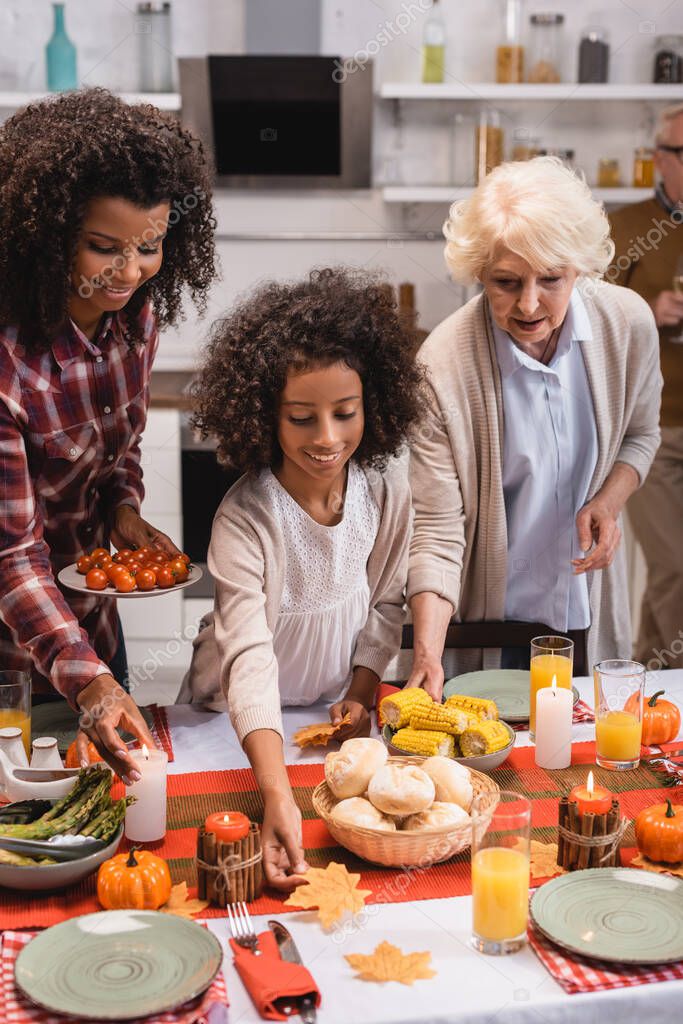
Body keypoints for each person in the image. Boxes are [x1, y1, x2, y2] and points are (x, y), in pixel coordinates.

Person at [0, 88, 217, 782]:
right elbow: (11, 553)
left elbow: (118, 452)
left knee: (113, 797)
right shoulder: (10, 365)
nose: (128, 272)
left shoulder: (134, 322)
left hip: (92, 627)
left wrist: (122, 509)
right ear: (47, 233)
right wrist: (87, 681)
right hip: (13, 647)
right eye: (102, 248)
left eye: (149, 247)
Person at [184, 268, 423, 889]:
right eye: (300, 418)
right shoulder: (246, 517)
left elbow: (385, 607)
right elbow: (249, 659)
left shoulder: (385, 491)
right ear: (265, 415)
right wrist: (274, 794)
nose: (327, 438)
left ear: (373, 404)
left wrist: (363, 690)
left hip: (325, 718)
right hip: (233, 724)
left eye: (345, 413)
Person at [406, 157, 662, 699]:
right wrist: (428, 652)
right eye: (506, 282)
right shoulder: (441, 367)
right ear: (479, 271)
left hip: (588, 616)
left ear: (581, 268)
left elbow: (642, 435)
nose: (528, 304)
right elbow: (436, 529)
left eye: (551, 279)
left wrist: (609, 503)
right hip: (492, 623)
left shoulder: (629, 326)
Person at [608, 103, 683, 670]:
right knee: (675, 565)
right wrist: (645, 310)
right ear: (660, 160)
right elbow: (586, 318)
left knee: (672, 571)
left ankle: (645, 689)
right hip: (651, 429)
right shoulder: (625, 226)